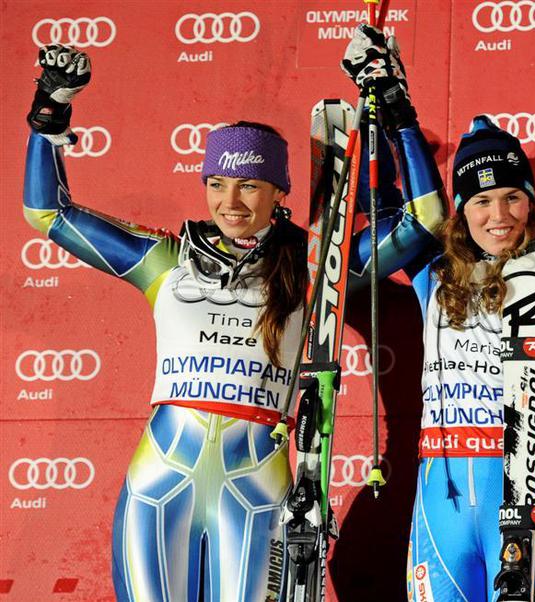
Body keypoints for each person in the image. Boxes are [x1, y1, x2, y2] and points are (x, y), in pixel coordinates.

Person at [23, 42, 444, 602]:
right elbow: (47, 213)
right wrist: (51, 111)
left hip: (256, 489)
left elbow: (426, 220)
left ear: (279, 191)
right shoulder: (166, 259)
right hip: (158, 484)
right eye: (217, 183)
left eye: (249, 185)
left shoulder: (316, 264)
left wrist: (396, 110)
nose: (231, 201)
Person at [343, 28, 535, 602]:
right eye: (481, 200)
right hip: (441, 498)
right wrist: (395, 112)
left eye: (512, 196)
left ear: (530, 203)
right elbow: (415, 213)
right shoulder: (432, 273)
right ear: (463, 211)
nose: (498, 214)